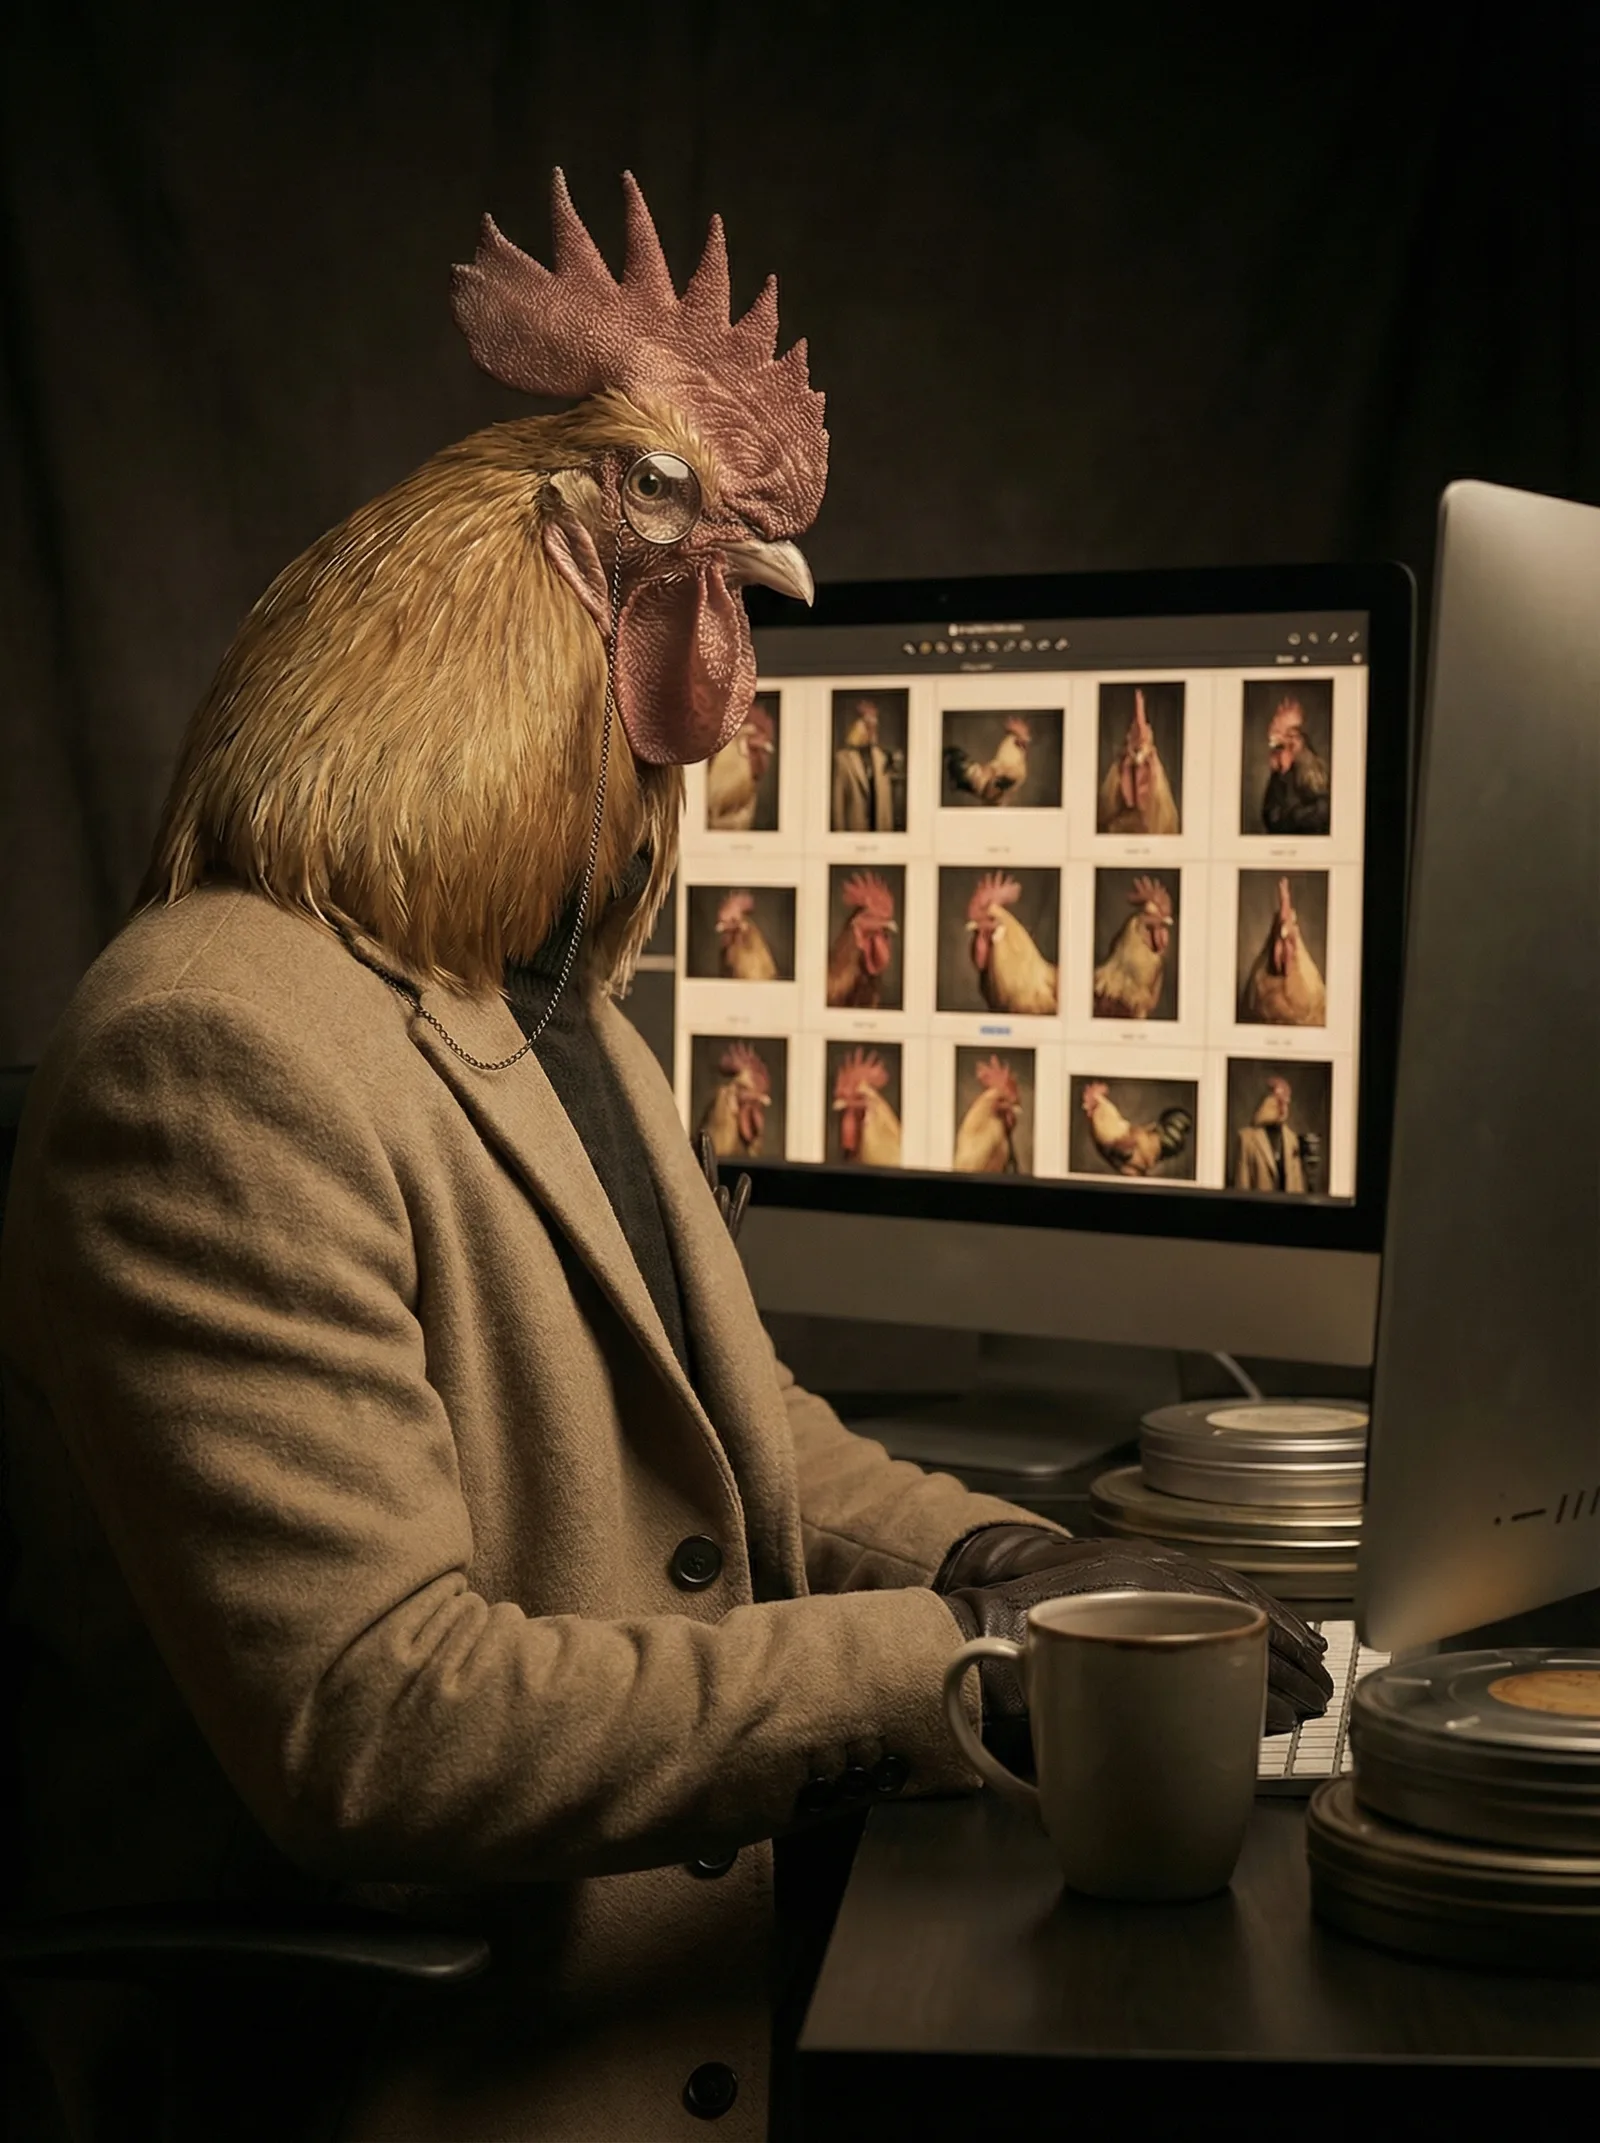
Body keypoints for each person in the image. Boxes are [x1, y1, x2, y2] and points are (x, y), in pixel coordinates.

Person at [0, 175, 1331, 2142]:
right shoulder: (213, 1049)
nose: (740, 561)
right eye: (659, 502)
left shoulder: (528, 1001)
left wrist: (1008, 1563)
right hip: (450, 2080)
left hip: (716, 1982)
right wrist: (944, 1667)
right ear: (536, 561)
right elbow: (375, 1722)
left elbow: (742, 1437)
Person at [1260, 694, 1331, 835]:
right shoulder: (1280, 773)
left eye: (1291, 735)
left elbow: (1322, 812)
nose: (1281, 741)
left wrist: (1291, 816)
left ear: (1299, 740)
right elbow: (1270, 817)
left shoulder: (1310, 770)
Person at [829, 696, 897, 831]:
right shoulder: (842, 759)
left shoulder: (882, 757)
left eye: (874, 719)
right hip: (853, 833)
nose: (872, 724)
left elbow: (886, 805)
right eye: (867, 720)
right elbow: (838, 805)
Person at [1234, 1073, 1306, 1193]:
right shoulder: (1246, 1138)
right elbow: (1242, 1184)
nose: (1284, 1103)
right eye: (1278, 1099)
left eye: (1286, 1098)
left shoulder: (1292, 1139)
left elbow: (1297, 1184)